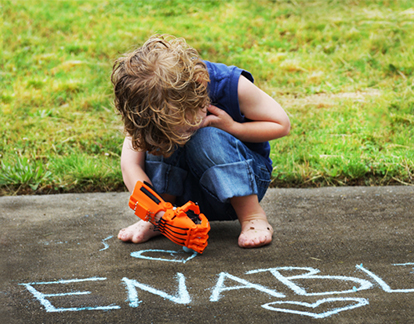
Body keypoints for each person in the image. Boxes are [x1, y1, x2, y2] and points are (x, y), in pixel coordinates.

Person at [111, 35, 291, 249]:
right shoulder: (148, 111)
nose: (182, 135)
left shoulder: (230, 84)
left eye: (187, 126)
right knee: (160, 140)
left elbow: (282, 124)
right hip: (185, 196)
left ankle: (253, 216)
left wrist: (234, 127)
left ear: (200, 90)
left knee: (206, 137)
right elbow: (130, 165)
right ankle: (160, 221)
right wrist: (156, 212)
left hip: (243, 183)